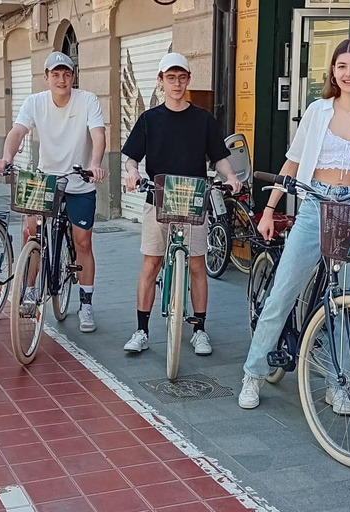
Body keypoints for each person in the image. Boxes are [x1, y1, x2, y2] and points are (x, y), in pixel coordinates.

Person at [239, 39, 350, 412]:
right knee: (283, 290)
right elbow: (292, 163)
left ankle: (338, 383)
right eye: (341, 66)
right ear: (332, 73)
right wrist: (268, 209)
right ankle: (254, 372)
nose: (349, 73)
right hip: (314, 204)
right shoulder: (317, 111)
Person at [121, 52, 241, 356]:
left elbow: (219, 157)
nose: (177, 83)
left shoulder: (203, 119)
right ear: (160, 81)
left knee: (198, 265)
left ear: (188, 79)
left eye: (182, 77)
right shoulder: (149, 119)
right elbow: (131, 156)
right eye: (170, 77)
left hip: (194, 201)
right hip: (157, 199)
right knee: (151, 263)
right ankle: (141, 329)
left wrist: (232, 177)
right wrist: (132, 172)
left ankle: (199, 329)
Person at [0, 51, 106, 333]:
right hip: (45, 181)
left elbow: (98, 135)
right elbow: (17, 132)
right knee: (31, 233)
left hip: (79, 180)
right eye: (55, 74)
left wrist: (95, 164)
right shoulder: (35, 102)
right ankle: (29, 288)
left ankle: (86, 301)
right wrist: (7, 156)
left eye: (66, 74)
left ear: (73, 77)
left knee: (82, 243)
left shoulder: (87, 100)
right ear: (46, 77)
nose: (61, 79)